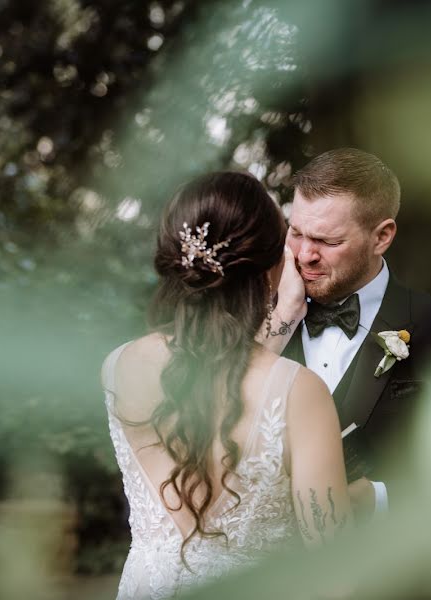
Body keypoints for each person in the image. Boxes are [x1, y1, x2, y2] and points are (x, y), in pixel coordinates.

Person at [100, 172, 351, 599]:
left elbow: (214, 368)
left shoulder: (119, 367)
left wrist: (282, 314)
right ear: (274, 267)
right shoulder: (299, 393)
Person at [259, 147, 431, 520]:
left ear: (382, 237)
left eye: (327, 241)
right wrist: (283, 315)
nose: (304, 255)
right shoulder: (256, 327)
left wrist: (381, 499)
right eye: (296, 232)